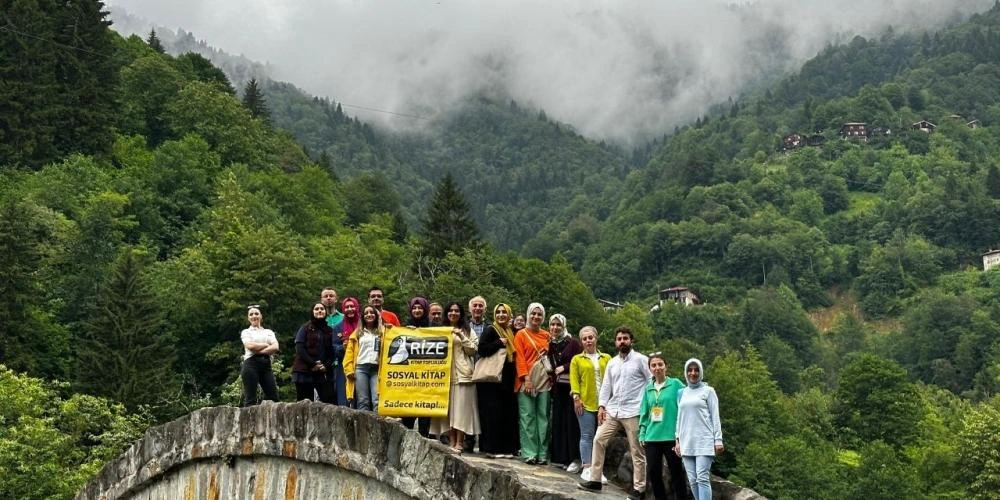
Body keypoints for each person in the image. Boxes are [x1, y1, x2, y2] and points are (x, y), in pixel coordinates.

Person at [579, 326, 650, 500]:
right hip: (613, 410)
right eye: (619, 339)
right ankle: (595, 480)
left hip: (634, 410)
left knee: (637, 450)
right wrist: (602, 407)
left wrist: (646, 407)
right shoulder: (612, 362)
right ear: (615, 342)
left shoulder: (641, 360)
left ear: (631, 340)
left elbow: (651, 382)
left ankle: (639, 489)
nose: (622, 341)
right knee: (598, 440)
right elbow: (606, 386)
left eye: (625, 338)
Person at [430, 302, 480, 453]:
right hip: (444, 375)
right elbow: (426, 341)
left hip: (464, 375)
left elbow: (473, 350)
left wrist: (461, 335)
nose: (453, 313)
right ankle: (451, 440)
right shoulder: (440, 330)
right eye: (450, 310)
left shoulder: (468, 330)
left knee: (462, 410)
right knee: (448, 410)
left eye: (456, 310)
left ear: (461, 313)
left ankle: (460, 441)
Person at [476, 303, 520, 458]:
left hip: (506, 378)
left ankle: (505, 448)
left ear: (509, 315)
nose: (501, 315)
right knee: (492, 414)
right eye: (498, 312)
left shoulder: (510, 331)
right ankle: (491, 448)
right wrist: (498, 343)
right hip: (491, 380)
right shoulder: (491, 330)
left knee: (506, 414)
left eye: (504, 312)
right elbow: (481, 349)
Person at [639, 353, 686, 500]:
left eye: (660, 364)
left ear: (666, 366)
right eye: (653, 365)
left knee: (676, 472)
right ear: (650, 369)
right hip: (652, 437)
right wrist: (642, 433)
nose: (657, 368)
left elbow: (688, 401)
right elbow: (644, 413)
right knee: (653, 472)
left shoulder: (676, 384)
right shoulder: (648, 389)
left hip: (671, 436)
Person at [675, 358, 723, 500]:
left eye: (696, 370)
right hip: (686, 440)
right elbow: (679, 418)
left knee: (702, 478)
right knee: (692, 480)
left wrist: (718, 439)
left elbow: (715, 416)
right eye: (690, 370)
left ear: (701, 372)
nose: (693, 373)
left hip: (704, 440)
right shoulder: (681, 393)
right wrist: (677, 440)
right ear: (686, 372)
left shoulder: (708, 391)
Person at [569, 326, 610, 484]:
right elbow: (574, 380)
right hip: (585, 402)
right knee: (586, 435)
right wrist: (576, 397)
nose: (588, 341)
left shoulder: (606, 358)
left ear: (596, 338)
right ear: (581, 341)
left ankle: (598, 470)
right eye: (585, 338)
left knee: (601, 438)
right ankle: (587, 468)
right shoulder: (577, 359)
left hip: (604, 404)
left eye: (591, 337)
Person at [513, 302, 551, 465]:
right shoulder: (521, 334)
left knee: (544, 417)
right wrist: (526, 379)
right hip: (526, 380)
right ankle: (529, 452)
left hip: (544, 380)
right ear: (528, 315)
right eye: (533, 314)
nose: (536, 317)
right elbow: (519, 358)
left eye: (539, 314)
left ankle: (543, 453)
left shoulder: (547, 335)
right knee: (527, 417)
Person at [546, 313, 583, 471]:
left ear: (564, 326)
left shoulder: (573, 342)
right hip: (557, 388)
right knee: (558, 421)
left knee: (572, 422)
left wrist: (565, 367)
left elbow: (581, 360)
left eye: (558, 325)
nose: (555, 328)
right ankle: (559, 457)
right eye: (553, 325)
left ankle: (573, 457)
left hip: (571, 388)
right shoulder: (551, 344)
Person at [343, 304, 387, 411]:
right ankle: (364, 428)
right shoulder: (357, 333)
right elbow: (349, 353)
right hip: (360, 369)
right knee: (363, 401)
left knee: (377, 400)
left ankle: (378, 426)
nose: (369, 315)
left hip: (377, 369)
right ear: (362, 316)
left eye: (371, 312)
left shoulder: (383, 332)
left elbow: (397, 336)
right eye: (366, 313)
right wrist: (348, 370)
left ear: (376, 316)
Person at [292, 303, 337, 403]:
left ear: (325, 312)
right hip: (304, 371)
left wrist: (325, 365)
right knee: (304, 404)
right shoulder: (305, 328)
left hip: (323, 371)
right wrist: (313, 363)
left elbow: (332, 352)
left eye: (322, 309)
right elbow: (300, 348)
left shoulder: (330, 330)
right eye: (316, 309)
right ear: (312, 312)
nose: (319, 311)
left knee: (330, 401)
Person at [401, 296, 432, 437]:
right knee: (408, 413)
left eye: (420, 308)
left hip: (428, 377)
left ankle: (424, 441)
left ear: (425, 310)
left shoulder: (433, 327)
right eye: (414, 308)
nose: (417, 310)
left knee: (425, 414)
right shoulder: (405, 326)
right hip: (410, 376)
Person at [240, 306, 279, 406]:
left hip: (266, 365)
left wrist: (258, 350)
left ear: (261, 316)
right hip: (250, 364)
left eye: (256, 314)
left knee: (273, 397)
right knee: (250, 398)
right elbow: (250, 346)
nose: (254, 316)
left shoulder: (268, 332)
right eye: (251, 314)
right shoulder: (246, 332)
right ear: (248, 318)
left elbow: (275, 347)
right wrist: (266, 345)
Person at [333, 297, 360, 406]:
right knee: (344, 400)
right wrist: (342, 348)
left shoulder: (363, 325)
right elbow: (334, 348)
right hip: (343, 367)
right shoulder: (338, 327)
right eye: (347, 307)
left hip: (362, 365)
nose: (350, 309)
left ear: (357, 307)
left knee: (362, 398)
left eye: (352, 306)